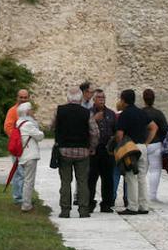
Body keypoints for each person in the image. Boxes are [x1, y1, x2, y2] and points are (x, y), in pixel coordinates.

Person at [53, 86, 99, 218]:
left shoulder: (60, 111)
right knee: (83, 181)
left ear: (68, 98)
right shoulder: (86, 113)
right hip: (83, 151)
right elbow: (94, 132)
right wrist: (92, 147)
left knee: (65, 182)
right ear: (80, 99)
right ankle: (84, 210)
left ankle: (65, 210)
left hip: (64, 151)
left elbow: (52, 126)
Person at [115, 88, 158, 215]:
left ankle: (132, 206)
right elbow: (154, 127)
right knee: (142, 177)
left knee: (130, 177)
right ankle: (144, 205)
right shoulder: (141, 113)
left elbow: (119, 134)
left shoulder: (124, 114)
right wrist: (146, 142)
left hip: (130, 148)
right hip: (142, 147)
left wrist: (119, 147)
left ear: (123, 100)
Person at [87, 89, 117, 213]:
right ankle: (89, 202)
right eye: (99, 97)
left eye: (103, 97)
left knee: (107, 178)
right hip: (94, 150)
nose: (101, 100)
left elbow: (115, 130)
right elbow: (85, 129)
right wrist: (94, 119)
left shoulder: (110, 113)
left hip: (107, 149)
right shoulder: (88, 113)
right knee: (91, 178)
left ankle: (106, 203)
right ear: (94, 99)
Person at [15, 102, 45, 212]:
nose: (33, 112)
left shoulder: (18, 123)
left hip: (22, 155)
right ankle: (26, 205)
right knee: (29, 181)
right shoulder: (28, 124)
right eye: (31, 110)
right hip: (30, 155)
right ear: (27, 112)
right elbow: (40, 136)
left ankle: (25, 201)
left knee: (25, 179)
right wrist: (37, 125)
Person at [4, 88, 31, 205]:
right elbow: (8, 127)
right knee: (18, 172)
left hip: (28, 147)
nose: (23, 99)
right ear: (17, 98)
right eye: (21, 97)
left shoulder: (29, 111)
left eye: (25, 97)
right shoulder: (12, 111)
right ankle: (18, 197)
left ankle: (24, 196)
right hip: (18, 146)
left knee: (26, 174)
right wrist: (17, 138)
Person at [142, 89, 168, 203]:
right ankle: (152, 195)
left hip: (142, 143)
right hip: (156, 143)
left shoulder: (140, 112)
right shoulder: (158, 113)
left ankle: (141, 194)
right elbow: (164, 129)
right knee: (155, 170)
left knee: (142, 171)